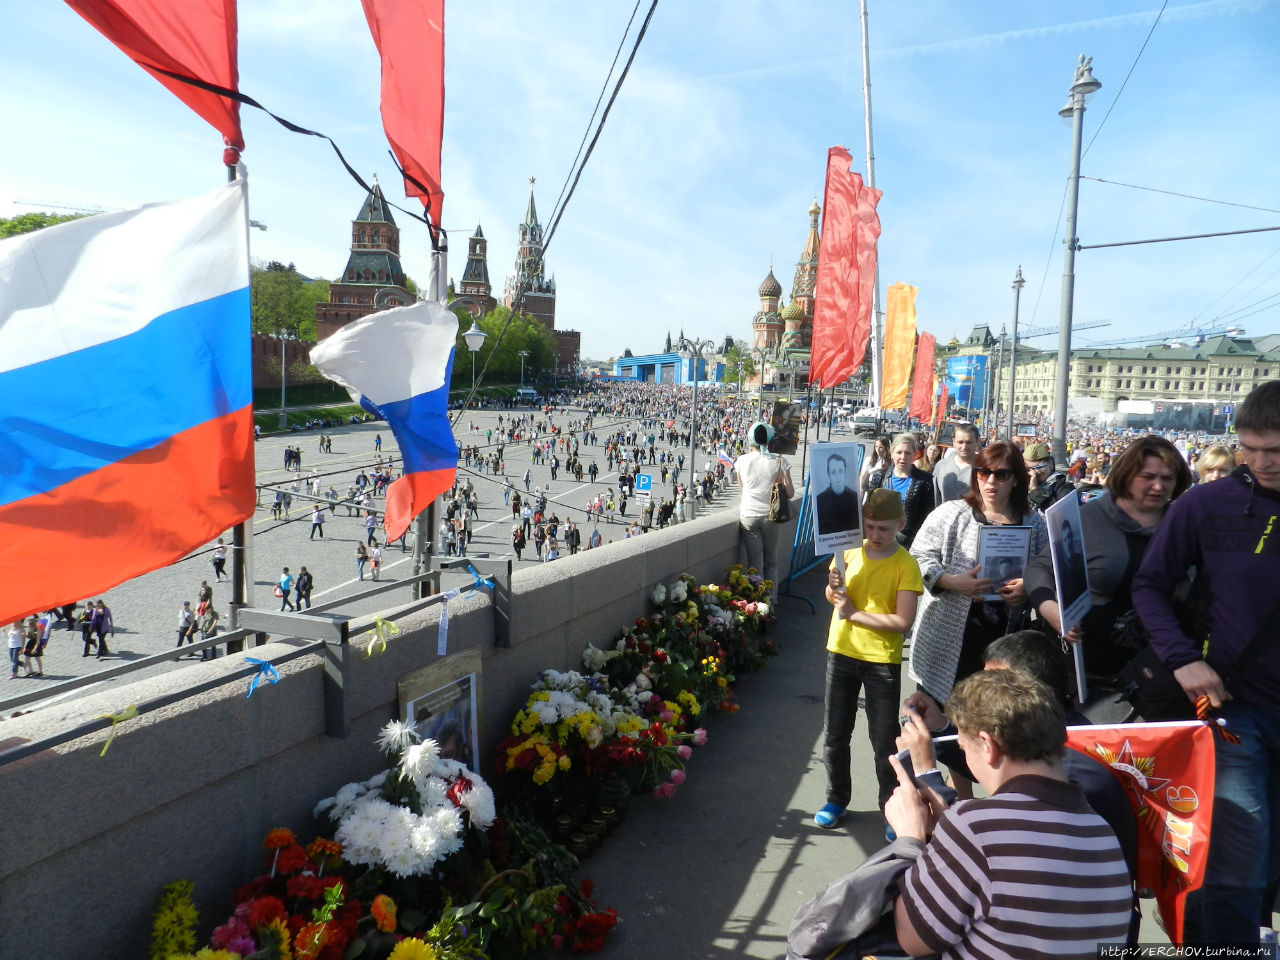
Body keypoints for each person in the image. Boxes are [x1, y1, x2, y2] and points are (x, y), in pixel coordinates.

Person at [1131, 381, 1280, 944]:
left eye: (1275, 451)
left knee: (1269, 854)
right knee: (1240, 853)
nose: (1261, 462)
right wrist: (1183, 659)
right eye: (1250, 448)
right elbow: (1150, 585)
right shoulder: (1206, 504)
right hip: (1235, 709)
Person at [887, 670, 1133, 955]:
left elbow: (913, 939)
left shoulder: (976, 828)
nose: (966, 755)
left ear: (988, 746)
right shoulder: (1104, 834)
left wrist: (908, 841)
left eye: (964, 747)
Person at [1027, 436, 1191, 684]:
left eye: (1167, 478)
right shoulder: (1088, 518)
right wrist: (1050, 608)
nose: (1158, 486)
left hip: (1161, 673)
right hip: (1088, 672)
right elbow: (1040, 567)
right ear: (1126, 475)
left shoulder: (1184, 525)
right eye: (1148, 477)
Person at [908, 440, 1046, 712]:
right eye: (983, 472)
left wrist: (1028, 586)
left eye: (1002, 474)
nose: (991, 481)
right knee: (937, 721)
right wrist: (948, 580)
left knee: (986, 717)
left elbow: (1046, 568)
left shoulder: (1034, 522)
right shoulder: (952, 513)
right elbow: (918, 556)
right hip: (946, 639)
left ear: (1016, 480)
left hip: (1002, 638)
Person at [814, 489, 923, 831]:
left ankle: (892, 806)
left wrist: (854, 613)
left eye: (884, 529)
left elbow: (902, 622)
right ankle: (836, 798)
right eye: (871, 527)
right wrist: (833, 590)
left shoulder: (906, 564)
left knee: (883, 740)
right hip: (842, 651)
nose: (876, 535)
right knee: (835, 734)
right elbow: (833, 596)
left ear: (900, 525)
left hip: (881, 659)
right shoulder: (847, 551)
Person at [733, 421, 794, 601]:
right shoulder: (780, 461)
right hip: (771, 516)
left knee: (754, 563)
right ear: (769, 439)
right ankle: (771, 603)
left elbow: (742, 486)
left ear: (750, 439)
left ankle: (756, 604)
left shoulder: (741, 461)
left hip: (749, 515)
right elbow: (789, 493)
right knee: (771, 563)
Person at [866, 434, 935, 547]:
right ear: (892, 453)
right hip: (880, 541)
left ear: (914, 455)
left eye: (908, 453)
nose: (903, 457)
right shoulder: (879, 476)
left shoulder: (925, 480)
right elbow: (870, 511)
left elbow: (928, 518)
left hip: (909, 544)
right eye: (899, 452)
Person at [814, 452, 860, 535]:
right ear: (829, 475)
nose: (838, 476)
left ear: (845, 472)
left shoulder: (854, 498)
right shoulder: (819, 500)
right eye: (833, 472)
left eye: (840, 471)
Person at [932, 423, 979, 504]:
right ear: (953, 442)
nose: (964, 447)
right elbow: (935, 498)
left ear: (977, 442)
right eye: (960, 442)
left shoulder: (984, 467)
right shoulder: (941, 466)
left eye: (969, 442)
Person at [1024, 442, 1075, 512]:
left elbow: (1060, 515)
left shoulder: (1064, 488)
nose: (1033, 473)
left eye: (1038, 467)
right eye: (1028, 469)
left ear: (1050, 464)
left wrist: (1034, 491)